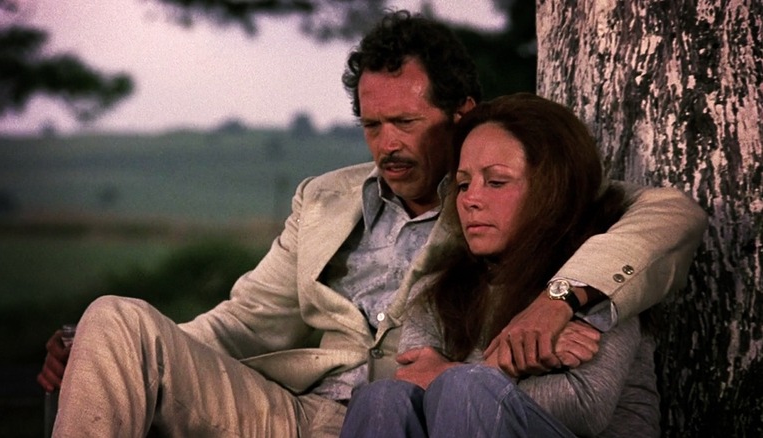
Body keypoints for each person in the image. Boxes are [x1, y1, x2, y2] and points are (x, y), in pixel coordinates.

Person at [37, 10, 707, 437]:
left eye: (406, 122)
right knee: (112, 320)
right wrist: (106, 357)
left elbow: (670, 214)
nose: (387, 144)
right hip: (294, 412)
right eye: (371, 125)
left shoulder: (510, 195)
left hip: (412, 415)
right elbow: (243, 323)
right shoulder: (322, 198)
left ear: (462, 114)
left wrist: (560, 300)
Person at [339, 93, 671, 438]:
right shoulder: (435, 291)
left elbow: (584, 404)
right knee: (380, 399)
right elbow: (413, 379)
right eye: (463, 184)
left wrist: (462, 375)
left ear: (552, 190)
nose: (470, 199)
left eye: (496, 182)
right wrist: (504, 363)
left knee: (465, 389)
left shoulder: (592, 285)